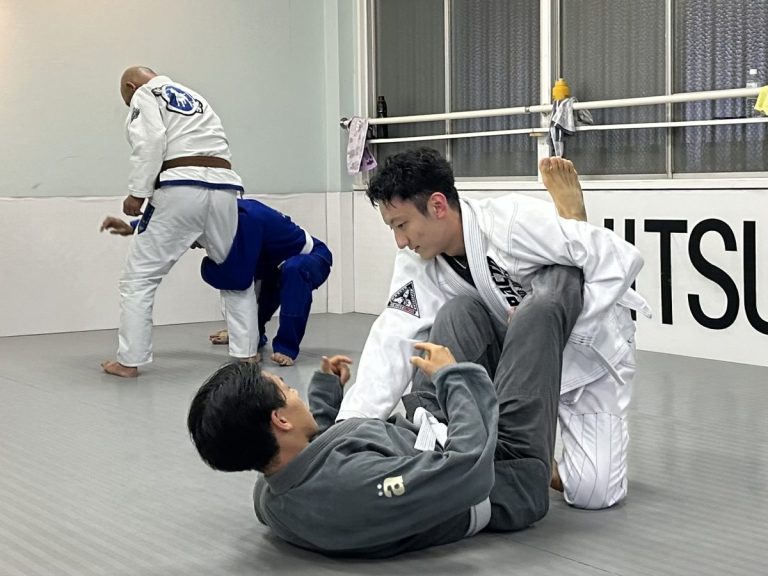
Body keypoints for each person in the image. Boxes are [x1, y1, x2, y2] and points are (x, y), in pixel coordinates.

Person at [188, 265, 584, 557]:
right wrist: (454, 379)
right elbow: (468, 471)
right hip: (501, 470)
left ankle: (509, 344)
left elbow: (313, 454)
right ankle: (574, 247)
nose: (295, 392)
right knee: (543, 308)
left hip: (431, 435)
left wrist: (326, 393)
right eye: (287, 389)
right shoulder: (353, 490)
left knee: (459, 310)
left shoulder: (269, 492)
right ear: (280, 419)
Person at [336, 149, 651, 510]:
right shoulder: (416, 261)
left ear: (437, 206)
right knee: (456, 314)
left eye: (401, 225)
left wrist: (548, 327)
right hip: (513, 360)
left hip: (585, 356)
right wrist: (348, 432)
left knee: (592, 494)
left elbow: (621, 259)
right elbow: (393, 337)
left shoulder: (512, 221)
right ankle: (462, 437)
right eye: (393, 229)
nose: (400, 241)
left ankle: (572, 221)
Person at [101, 66, 242, 378]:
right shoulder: (197, 98)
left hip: (181, 184)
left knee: (138, 280)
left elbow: (150, 141)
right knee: (233, 272)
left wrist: (137, 193)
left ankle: (129, 361)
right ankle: (246, 353)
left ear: (130, 86)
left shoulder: (145, 93)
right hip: (225, 188)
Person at [100, 198, 333, 367]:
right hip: (271, 265)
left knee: (290, 272)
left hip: (311, 257)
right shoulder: (219, 217)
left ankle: (286, 347)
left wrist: (208, 269)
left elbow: (238, 279)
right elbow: (174, 223)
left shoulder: (247, 220)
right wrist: (133, 227)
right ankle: (255, 337)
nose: (195, 245)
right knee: (256, 280)